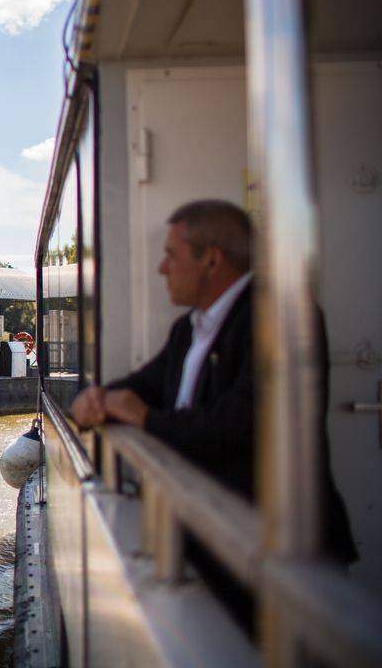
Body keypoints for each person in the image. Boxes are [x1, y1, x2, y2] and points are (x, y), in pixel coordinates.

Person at [70, 199, 355, 564]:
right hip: (215, 544)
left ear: (212, 260)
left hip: (280, 554)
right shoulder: (189, 329)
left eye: (172, 255)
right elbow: (142, 385)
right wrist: (94, 399)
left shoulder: (284, 318)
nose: (162, 268)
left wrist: (145, 418)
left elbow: (243, 423)